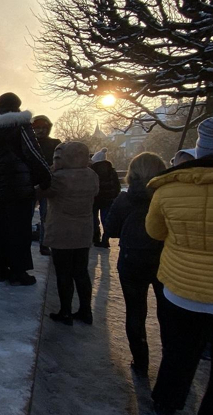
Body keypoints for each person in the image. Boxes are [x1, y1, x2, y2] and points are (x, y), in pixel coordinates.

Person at [148, 117, 213, 415]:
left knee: (178, 355)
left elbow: (155, 232)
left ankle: (165, 404)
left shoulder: (168, 189)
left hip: (181, 291)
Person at [0, 92, 52, 286]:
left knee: (0, 230)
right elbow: (32, 152)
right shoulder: (20, 124)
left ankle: (0, 270)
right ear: (16, 106)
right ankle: (19, 272)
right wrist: (45, 178)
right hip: (19, 187)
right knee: (20, 230)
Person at [104, 152, 167, 377]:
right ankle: (170, 366)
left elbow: (110, 230)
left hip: (132, 261)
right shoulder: (166, 195)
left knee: (135, 312)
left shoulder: (125, 199)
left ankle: (140, 363)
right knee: (167, 315)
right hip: (163, 261)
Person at [40, 141, 99, 325]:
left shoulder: (58, 179)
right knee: (81, 272)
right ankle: (85, 311)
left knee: (63, 274)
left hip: (62, 233)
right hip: (83, 232)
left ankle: (65, 312)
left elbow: (41, 191)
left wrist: (52, 170)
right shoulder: (92, 176)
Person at [32, 115, 62, 256]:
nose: (41, 131)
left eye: (44, 128)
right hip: (32, 185)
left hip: (47, 186)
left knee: (47, 217)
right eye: (37, 128)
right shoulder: (28, 144)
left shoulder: (55, 143)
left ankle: (44, 244)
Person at [90, 148, 121, 248]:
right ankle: (105, 239)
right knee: (105, 219)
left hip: (95, 199)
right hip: (108, 199)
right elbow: (117, 185)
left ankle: (95, 237)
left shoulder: (92, 170)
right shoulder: (111, 170)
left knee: (94, 219)